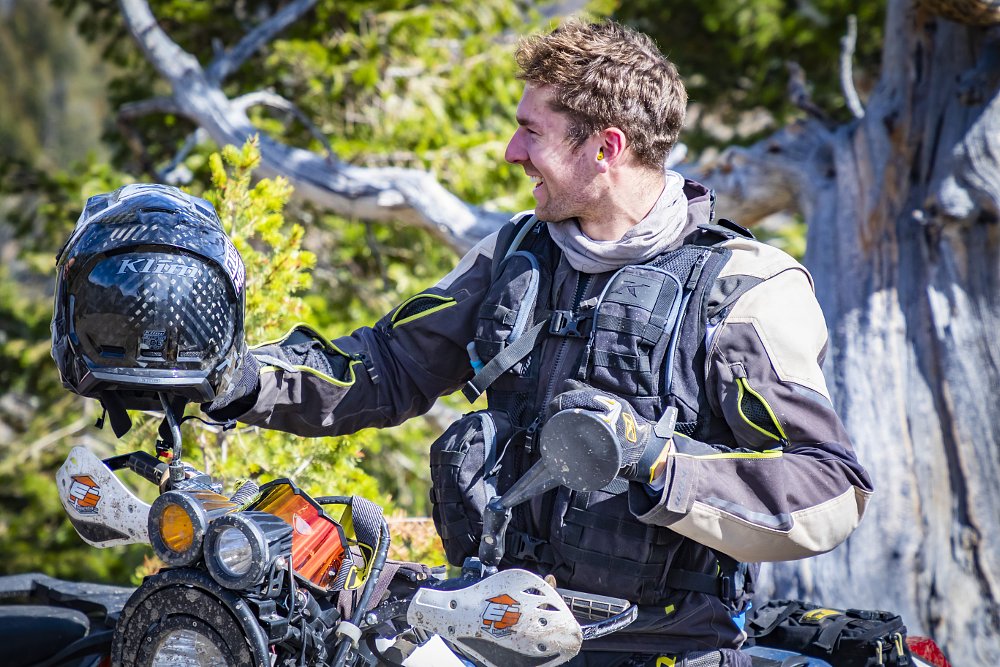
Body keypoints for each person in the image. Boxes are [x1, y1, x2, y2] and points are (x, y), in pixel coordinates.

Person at [207, 19, 874, 667]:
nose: (512, 152)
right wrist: (231, 377)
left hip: (662, 647)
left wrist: (660, 463)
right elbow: (383, 367)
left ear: (606, 148)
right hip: (491, 631)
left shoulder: (744, 286)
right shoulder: (513, 251)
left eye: (532, 132)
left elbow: (831, 486)